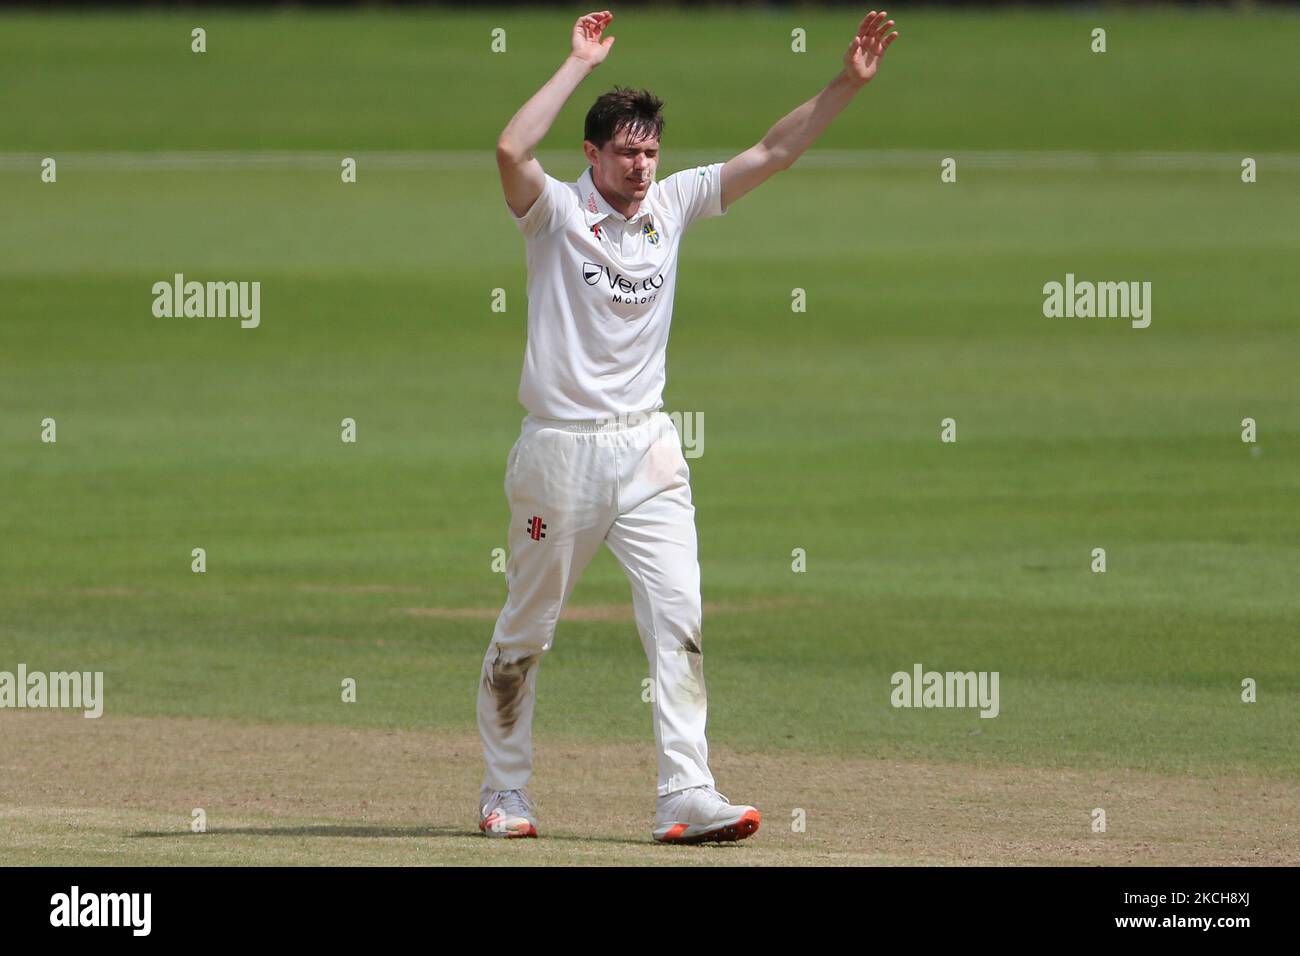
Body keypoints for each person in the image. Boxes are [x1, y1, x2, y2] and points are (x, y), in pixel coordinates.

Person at [480, 8, 899, 843]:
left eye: (649, 151)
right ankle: (506, 795)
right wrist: (575, 63)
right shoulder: (556, 215)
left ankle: (686, 794)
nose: (641, 166)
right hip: (558, 454)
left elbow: (772, 152)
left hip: (649, 450)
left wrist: (843, 86)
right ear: (593, 155)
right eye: (625, 151)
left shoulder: (672, 205)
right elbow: (508, 151)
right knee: (528, 629)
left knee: (679, 617)